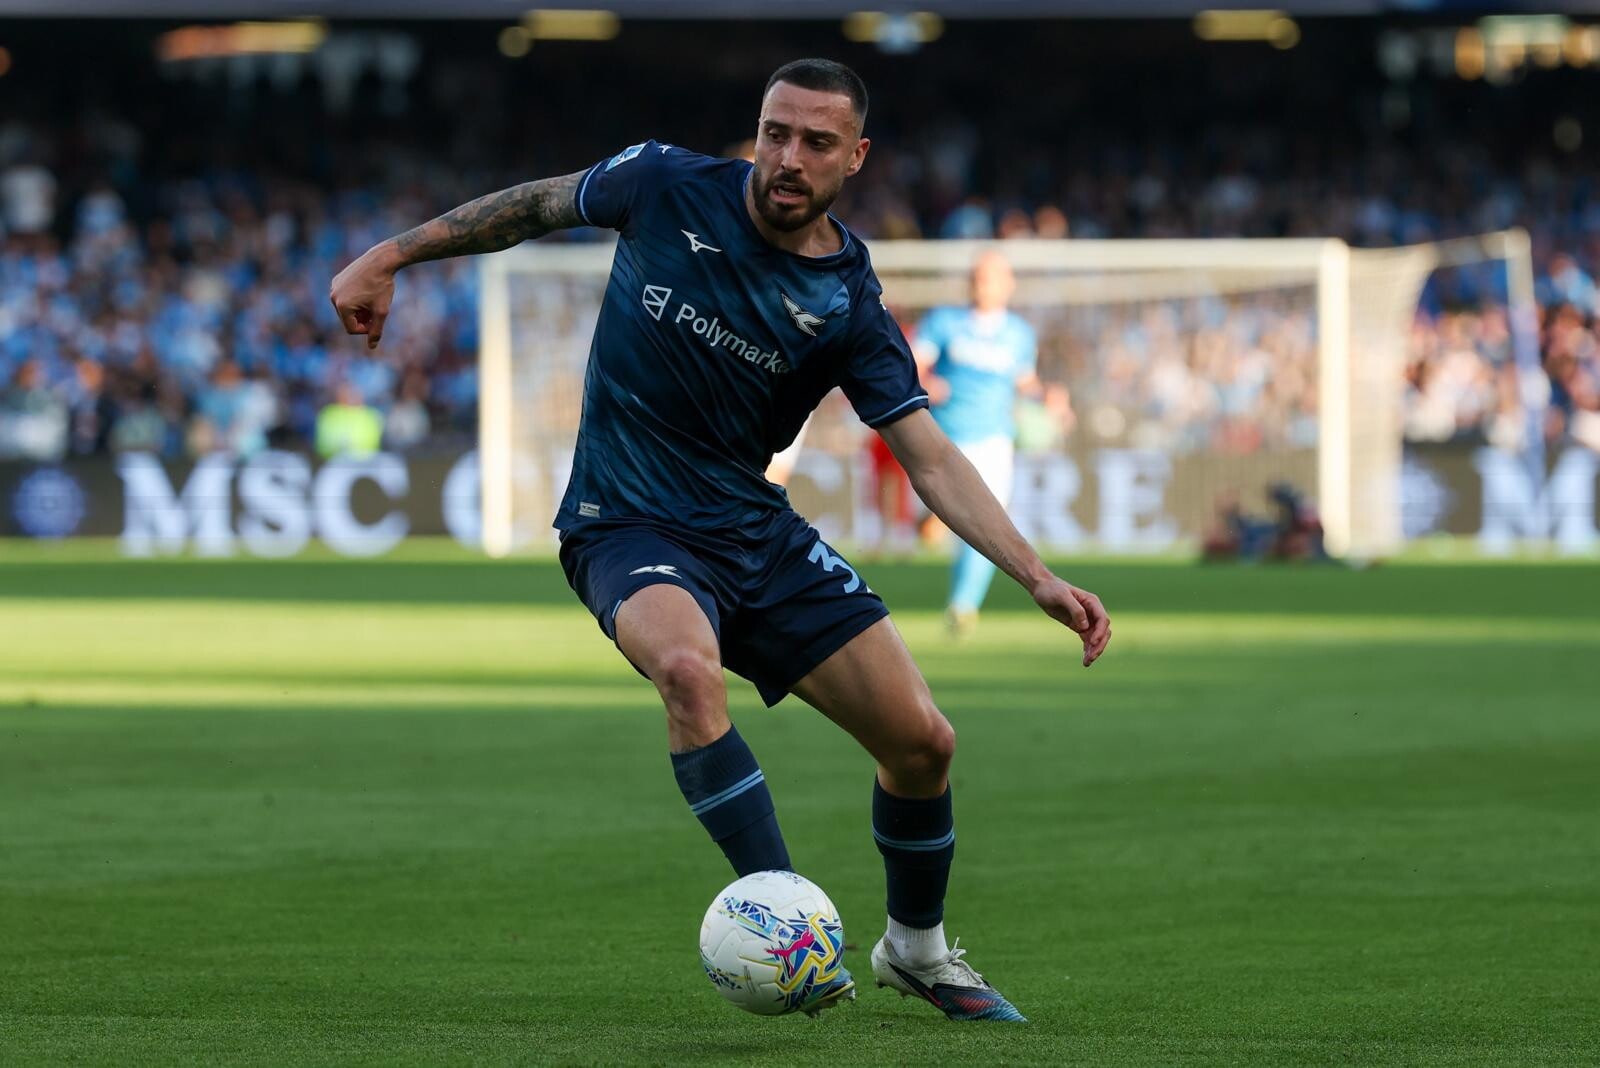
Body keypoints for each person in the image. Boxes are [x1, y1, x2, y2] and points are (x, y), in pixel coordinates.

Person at [330, 58, 1110, 1023]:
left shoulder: (847, 299)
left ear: (855, 157)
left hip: (754, 531)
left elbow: (931, 457)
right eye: (776, 133)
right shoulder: (663, 182)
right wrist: (390, 256)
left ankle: (915, 951)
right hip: (625, 522)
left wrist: (1035, 576)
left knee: (923, 744)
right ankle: (790, 925)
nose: (788, 158)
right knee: (688, 672)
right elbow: (534, 205)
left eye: (816, 142)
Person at [914, 251, 1045, 636]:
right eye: (977, 276)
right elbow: (912, 364)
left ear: (1008, 284)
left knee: (989, 522)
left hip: (994, 439)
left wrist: (1047, 398)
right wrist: (928, 383)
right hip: (945, 438)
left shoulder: (1020, 334)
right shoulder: (944, 321)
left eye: (989, 277)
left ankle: (963, 605)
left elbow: (1025, 382)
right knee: (945, 520)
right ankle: (931, 520)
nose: (981, 284)